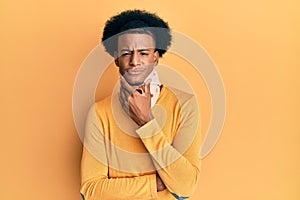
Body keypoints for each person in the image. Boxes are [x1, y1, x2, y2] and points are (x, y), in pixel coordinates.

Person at [80, 9, 202, 200]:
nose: (135, 61)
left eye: (143, 53)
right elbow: (91, 191)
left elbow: (185, 186)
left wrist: (147, 122)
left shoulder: (184, 105)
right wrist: (155, 184)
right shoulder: (99, 114)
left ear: (156, 57)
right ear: (116, 59)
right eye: (126, 53)